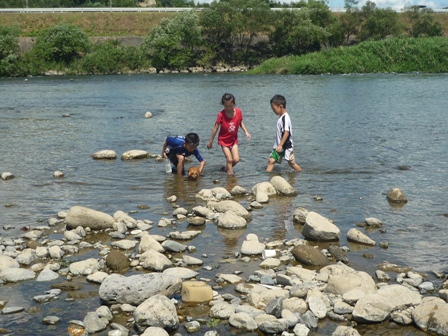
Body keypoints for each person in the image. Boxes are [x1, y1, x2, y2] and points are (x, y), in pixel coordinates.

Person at [207, 93, 251, 175]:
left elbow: (240, 122)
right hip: (223, 140)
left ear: (234, 103)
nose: (228, 108)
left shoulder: (238, 112)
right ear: (223, 105)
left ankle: (226, 169)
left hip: (233, 140)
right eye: (226, 106)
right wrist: (210, 141)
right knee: (229, 159)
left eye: (231, 106)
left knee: (236, 159)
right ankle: (231, 177)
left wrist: (246, 131)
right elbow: (215, 128)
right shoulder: (221, 115)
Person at [266, 94, 302, 172]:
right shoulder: (281, 117)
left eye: (274, 109)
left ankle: (301, 173)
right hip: (279, 146)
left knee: (291, 163)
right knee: (271, 161)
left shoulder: (285, 118)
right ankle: (267, 178)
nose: (273, 111)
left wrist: (280, 145)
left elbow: (286, 132)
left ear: (281, 106)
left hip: (286, 146)